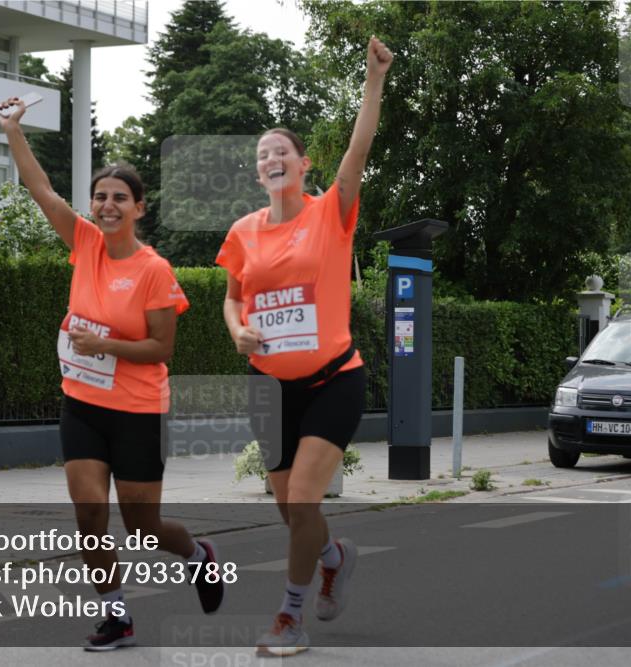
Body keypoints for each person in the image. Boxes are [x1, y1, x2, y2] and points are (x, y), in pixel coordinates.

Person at [0, 97, 224, 651]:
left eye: (120, 197)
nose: (107, 205)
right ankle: (116, 615)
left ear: (139, 208)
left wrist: (103, 343)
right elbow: (40, 189)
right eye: (100, 196)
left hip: (140, 409)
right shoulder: (84, 244)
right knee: (90, 511)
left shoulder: (154, 271)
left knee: (143, 527)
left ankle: (199, 556)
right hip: (83, 404)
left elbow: (160, 347)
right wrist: (11, 131)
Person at [215, 36, 393, 657]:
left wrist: (372, 82)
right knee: (290, 512)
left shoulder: (330, 213)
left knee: (302, 498)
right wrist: (237, 329)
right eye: (263, 154)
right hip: (268, 383)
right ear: (259, 170)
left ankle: (289, 617)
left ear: (302, 163)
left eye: (280, 151)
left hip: (334, 377)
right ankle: (334, 554)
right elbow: (233, 297)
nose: (271, 159)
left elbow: (360, 147)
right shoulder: (242, 233)